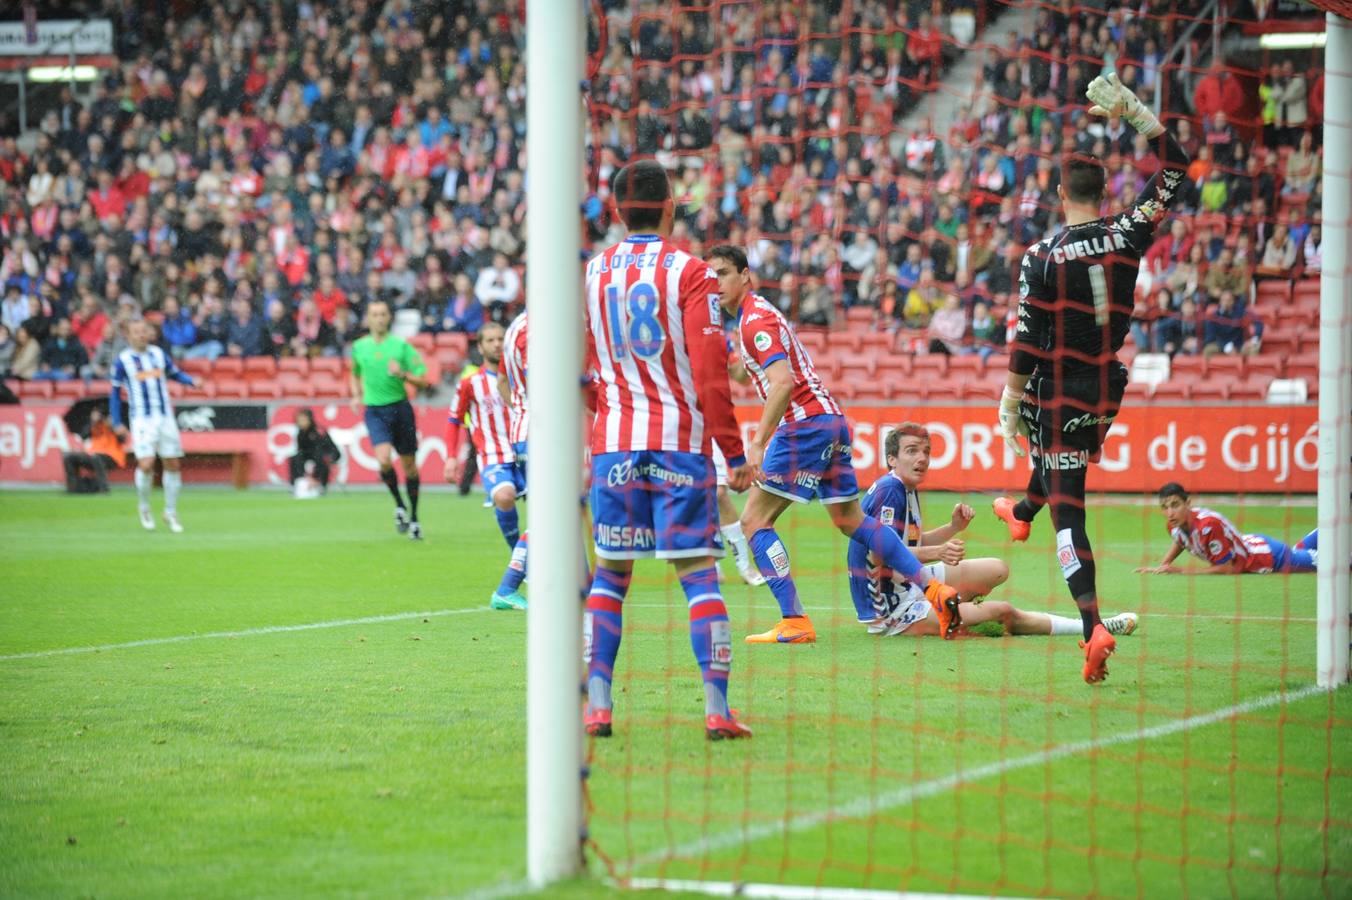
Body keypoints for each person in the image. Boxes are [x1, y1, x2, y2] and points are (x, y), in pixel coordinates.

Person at [993, 73, 1189, 684]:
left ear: (1059, 193)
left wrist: (1009, 401)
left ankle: (1092, 626)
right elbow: (1177, 169)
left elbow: (1027, 340)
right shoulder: (1129, 230)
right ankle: (1021, 511)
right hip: (1108, 386)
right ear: (1105, 192)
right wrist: (1137, 115)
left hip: (1057, 390)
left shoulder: (1042, 256)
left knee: (1070, 515)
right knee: (1061, 467)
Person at [708, 244, 960, 647]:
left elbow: (783, 383)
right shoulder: (754, 319)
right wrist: (721, 356)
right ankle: (934, 590)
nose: (715, 283)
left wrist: (756, 445)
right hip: (831, 421)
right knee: (850, 520)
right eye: (711, 276)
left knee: (754, 521)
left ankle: (794, 620)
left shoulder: (754, 322)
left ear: (745, 275)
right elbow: (745, 374)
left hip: (803, 425)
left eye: (722, 273)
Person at [580, 160, 753, 741]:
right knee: (699, 577)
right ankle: (716, 710)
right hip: (678, 446)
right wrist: (733, 453)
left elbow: (581, 369)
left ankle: (598, 708)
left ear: (614, 210)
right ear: (672, 205)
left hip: (615, 448)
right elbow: (710, 372)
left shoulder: (591, 273)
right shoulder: (691, 272)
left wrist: (607, 414)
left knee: (609, 577)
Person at [849, 423, 1138, 638]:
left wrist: (952, 528)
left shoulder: (903, 487)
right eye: (911, 451)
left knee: (997, 569)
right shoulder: (891, 490)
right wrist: (937, 552)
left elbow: (905, 542)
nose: (922, 458)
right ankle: (1093, 626)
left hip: (907, 582)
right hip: (891, 608)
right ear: (892, 459)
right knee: (1003, 612)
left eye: (926, 451)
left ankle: (958, 611)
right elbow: (881, 553)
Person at [444, 322, 529, 610]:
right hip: (493, 455)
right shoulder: (471, 383)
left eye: (500, 339)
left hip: (524, 450)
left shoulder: (520, 376)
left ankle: (522, 563)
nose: (496, 344)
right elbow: (454, 419)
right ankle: (519, 556)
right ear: (480, 347)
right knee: (504, 496)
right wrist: (451, 456)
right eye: (490, 340)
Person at [348, 299, 429, 540]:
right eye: (375, 314)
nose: (380, 318)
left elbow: (423, 380)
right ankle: (399, 505)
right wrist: (356, 395)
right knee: (383, 460)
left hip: (400, 409)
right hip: (374, 410)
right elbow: (354, 374)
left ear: (389, 318)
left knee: (409, 466)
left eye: (383, 314)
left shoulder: (401, 346)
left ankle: (415, 517)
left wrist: (403, 374)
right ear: (368, 319)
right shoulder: (359, 347)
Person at [110, 319, 200, 532]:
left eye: (144, 331)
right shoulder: (123, 361)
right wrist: (117, 421)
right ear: (128, 336)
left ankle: (170, 511)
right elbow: (114, 393)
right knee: (146, 464)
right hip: (142, 419)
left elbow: (174, 373)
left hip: (165, 417)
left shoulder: (158, 354)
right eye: (137, 332)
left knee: (173, 464)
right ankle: (144, 506)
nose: (142, 335)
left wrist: (190, 381)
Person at [1136, 483, 1317, 575]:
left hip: (1271, 558)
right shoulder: (1174, 524)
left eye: (1175, 505)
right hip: (1255, 544)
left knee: (1327, 564)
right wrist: (1164, 565)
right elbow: (1181, 540)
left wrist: (1181, 570)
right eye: (1165, 507)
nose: (1170, 512)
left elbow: (1226, 568)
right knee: (1304, 552)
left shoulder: (1208, 526)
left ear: (1188, 503)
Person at [62, 407, 126, 493]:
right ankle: (73, 488)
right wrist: (92, 422)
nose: (97, 415)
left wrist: (113, 426)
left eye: (98, 413)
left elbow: (123, 440)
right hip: (92, 453)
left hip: (112, 456)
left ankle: (103, 488)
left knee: (96, 457)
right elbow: (83, 436)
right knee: (68, 457)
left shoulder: (114, 423)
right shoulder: (93, 425)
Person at [289, 408, 340, 493]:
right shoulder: (300, 433)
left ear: (310, 419)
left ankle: (321, 485)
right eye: (299, 420)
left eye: (303, 420)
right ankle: (298, 483)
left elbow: (324, 449)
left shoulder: (318, 431)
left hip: (327, 454)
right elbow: (301, 450)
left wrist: (331, 457)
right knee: (295, 458)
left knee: (320, 458)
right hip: (310, 454)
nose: (300, 422)